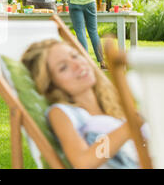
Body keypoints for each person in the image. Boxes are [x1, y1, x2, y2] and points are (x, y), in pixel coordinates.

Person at [21, 39, 147, 169]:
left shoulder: (110, 106)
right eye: (63, 67)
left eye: (75, 56)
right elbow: (83, 162)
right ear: (51, 84)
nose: (77, 64)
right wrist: (130, 126)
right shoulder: (62, 112)